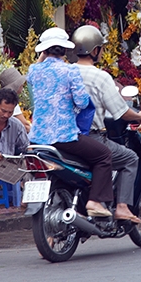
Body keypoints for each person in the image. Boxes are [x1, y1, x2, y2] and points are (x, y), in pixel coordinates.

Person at [27, 27, 114, 218]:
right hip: (64, 137)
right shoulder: (70, 70)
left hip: (37, 140)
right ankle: (95, 201)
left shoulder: (33, 71)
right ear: (65, 50)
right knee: (104, 156)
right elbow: (82, 102)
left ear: (44, 50)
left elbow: (35, 71)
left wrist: (42, 57)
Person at [72, 25, 141, 224]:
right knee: (130, 158)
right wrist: (139, 115)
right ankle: (122, 207)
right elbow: (121, 112)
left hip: (62, 136)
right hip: (90, 136)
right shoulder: (100, 76)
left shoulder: (65, 72)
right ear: (95, 50)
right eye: (100, 48)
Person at [0, 67, 31, 133]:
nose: (22, 85)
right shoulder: (9, 102)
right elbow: (25, 126)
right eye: (20, 83)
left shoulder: (2, 100)